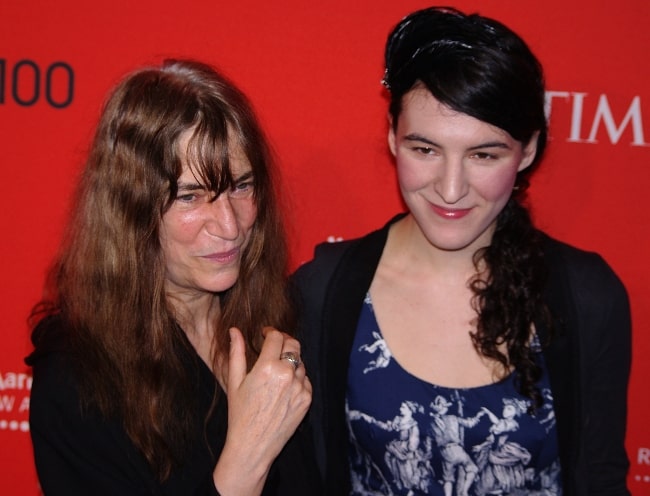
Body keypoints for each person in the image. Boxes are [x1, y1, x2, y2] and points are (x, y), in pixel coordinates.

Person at [292, 6, 631, 495]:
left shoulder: (588, 296)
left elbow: (599, 479)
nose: (450, 190)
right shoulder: (324, 293)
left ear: (528, 150)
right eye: (424, 149)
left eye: (483, 155)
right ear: (392, 136)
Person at [26, 59, 320, 495]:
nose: (229, 225)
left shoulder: (281, 317)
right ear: (131, 211)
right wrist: (247, 458)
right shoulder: (78, 380)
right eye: (191, 196)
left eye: (240, 186)